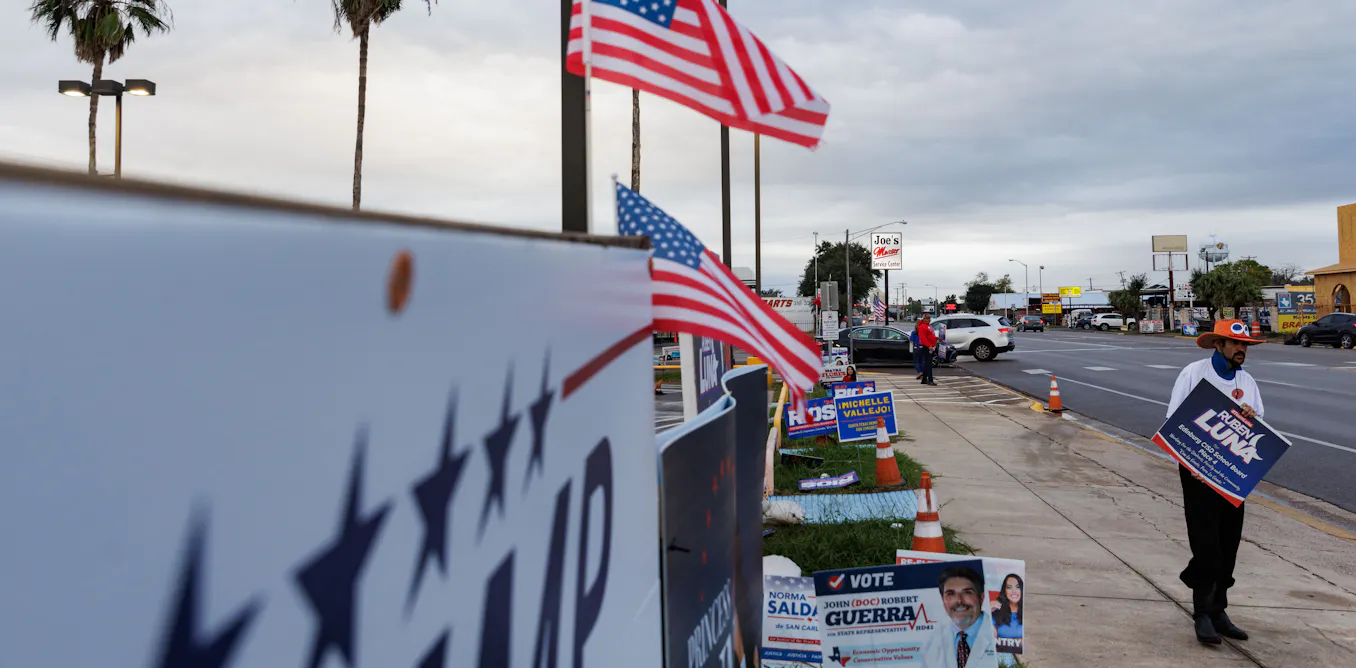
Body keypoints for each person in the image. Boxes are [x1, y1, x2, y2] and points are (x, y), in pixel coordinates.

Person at [1165, 319, 1265, 645]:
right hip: (1197, 471)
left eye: (1245, 345)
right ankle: (1202, 613)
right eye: (1235, 344)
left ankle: (1219, 609)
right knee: (1206, 542)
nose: (1241, 350)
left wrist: (1251, 415)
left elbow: (1258, 426)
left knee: (1229, 542)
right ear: (1218, 345)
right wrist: (1189, 460)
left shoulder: (1247, 381)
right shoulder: (1194, 373)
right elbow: (1174, 421)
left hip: (1233, 473)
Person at [921, 565, 996, 668]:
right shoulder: (931, 643)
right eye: (950, 594)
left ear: (981, 598)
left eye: (967, 593)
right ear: (943, 600)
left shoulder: (1001, 633)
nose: (959, 601)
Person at [992, 574, 1023, 640]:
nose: (1014, 591)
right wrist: (987, 610)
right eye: (1009, 587)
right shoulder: (996, 611)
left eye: (1018, 587)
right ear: (1005, 591)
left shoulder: (1027, 610)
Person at [916, 314, 938, 386]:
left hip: (931, 346)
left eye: (929, 318)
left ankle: (924, 379)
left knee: (927, 363)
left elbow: (931, 335)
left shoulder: (929, 326)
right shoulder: (922, 327)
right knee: (929, 364)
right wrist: (929, 346)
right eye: (927, 318)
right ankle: (930, 380)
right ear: (924, 319)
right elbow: (923, 339)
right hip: (926, 347)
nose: (928, 320)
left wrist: (937, 339)